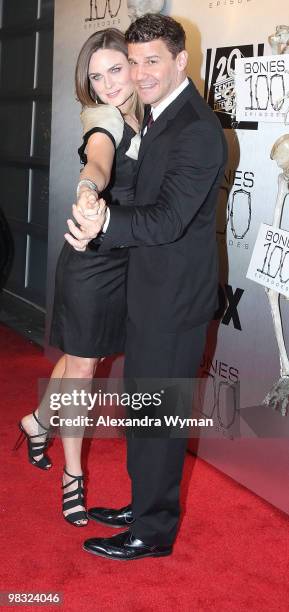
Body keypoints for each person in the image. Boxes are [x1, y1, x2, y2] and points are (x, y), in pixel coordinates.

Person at [66, 13, 228, 559]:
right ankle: (143, 506)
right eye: (132, 62)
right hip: (150, 289)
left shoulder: (198, 129)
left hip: (175, 299)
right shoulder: (160, 116)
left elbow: (169, 219)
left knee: (158, 416)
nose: (139, 73)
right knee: (143, 409)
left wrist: (105, 223)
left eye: (152, 60)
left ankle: (152, 533)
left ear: (182, 60)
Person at [16, 28, 142, 527]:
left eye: (116, 69)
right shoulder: (102, 118)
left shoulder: (150, 115)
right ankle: (73, 476)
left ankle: (36, 421)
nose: (108, 83)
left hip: (128, 256)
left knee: (77, 357)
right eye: (96, 75)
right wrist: (89, 189)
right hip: (91, 258)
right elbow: (99, 159)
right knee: (85, 369)